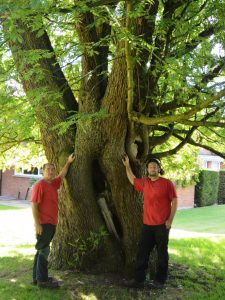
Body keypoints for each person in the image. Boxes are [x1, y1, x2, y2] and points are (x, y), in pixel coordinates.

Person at [122, 154, 177, 289]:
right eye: (150, 166)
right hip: (147, 225)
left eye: (155, 166)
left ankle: (160, 281)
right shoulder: (145, 183)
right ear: (147, 169)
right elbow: (132, 179)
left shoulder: (167, 183)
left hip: (162, 225)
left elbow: (175, 201)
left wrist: (170, 220)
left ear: (159, 169)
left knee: (162, 254)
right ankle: (139, 280)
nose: (153, 168)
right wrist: (127, 165)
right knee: (142, 253)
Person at [31, 153, 75, 289]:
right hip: (44, 224)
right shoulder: (40, 185)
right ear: (43, 171)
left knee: (40, 250)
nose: (50, 171)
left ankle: (36, 278)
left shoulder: (53, 183)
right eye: (47, 169)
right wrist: (38, 224)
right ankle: (43, 281)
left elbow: (61, 175)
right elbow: (34, 205)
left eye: (52, 169)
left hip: (51, 223)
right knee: (44, 251)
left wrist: (68, 162)